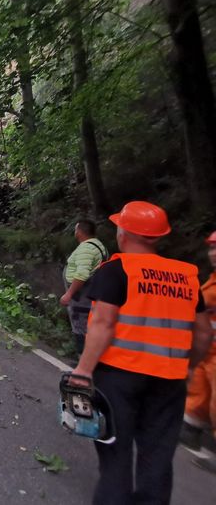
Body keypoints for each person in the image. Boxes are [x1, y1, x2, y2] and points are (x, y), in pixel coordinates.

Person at [71, 201, 213, 504]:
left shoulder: (116, 268)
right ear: (158, 237)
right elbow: (203, 334)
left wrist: (83, 370)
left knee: (115, 455)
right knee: (157, 458)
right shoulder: (187, 275)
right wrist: (188, 367)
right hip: (170, 382)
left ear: (124, 233)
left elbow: (103, 324)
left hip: (118, 378)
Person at [180, 231, 216, 457]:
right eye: (211, 248)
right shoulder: (211, 281)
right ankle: (191, 426)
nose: (213, 253)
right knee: (199, 388)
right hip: (207, 349)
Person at [60, 219, 108, 353]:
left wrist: (69, 294)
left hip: (81, 295)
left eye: (76, 229)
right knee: (87, 324)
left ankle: (83, 361)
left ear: (79, 232)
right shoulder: (98, 245)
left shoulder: (86, 248)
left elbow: (82, 273)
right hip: (90, 292)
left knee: (80, 326)